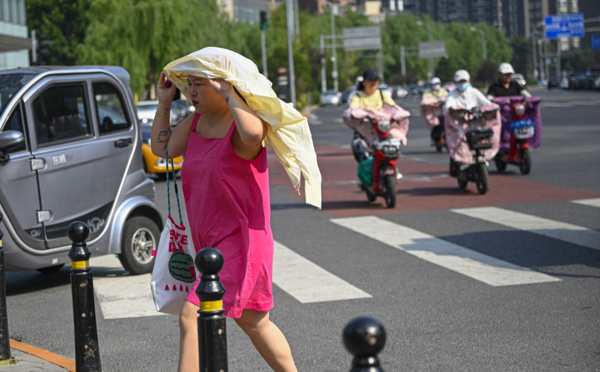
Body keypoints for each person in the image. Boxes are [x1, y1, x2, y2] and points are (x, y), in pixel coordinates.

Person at [151, 48, 320, 372]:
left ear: (223, 83)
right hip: (208, 242)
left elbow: (255, 134)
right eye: (189, 83)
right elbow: (162, 149)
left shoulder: (241, 127)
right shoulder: (198, 121)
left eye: (200, 83)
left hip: (239, 242)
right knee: (254, 321)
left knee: (193, 315)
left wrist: (230, 91)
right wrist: (163, 102)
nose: (191, 91)